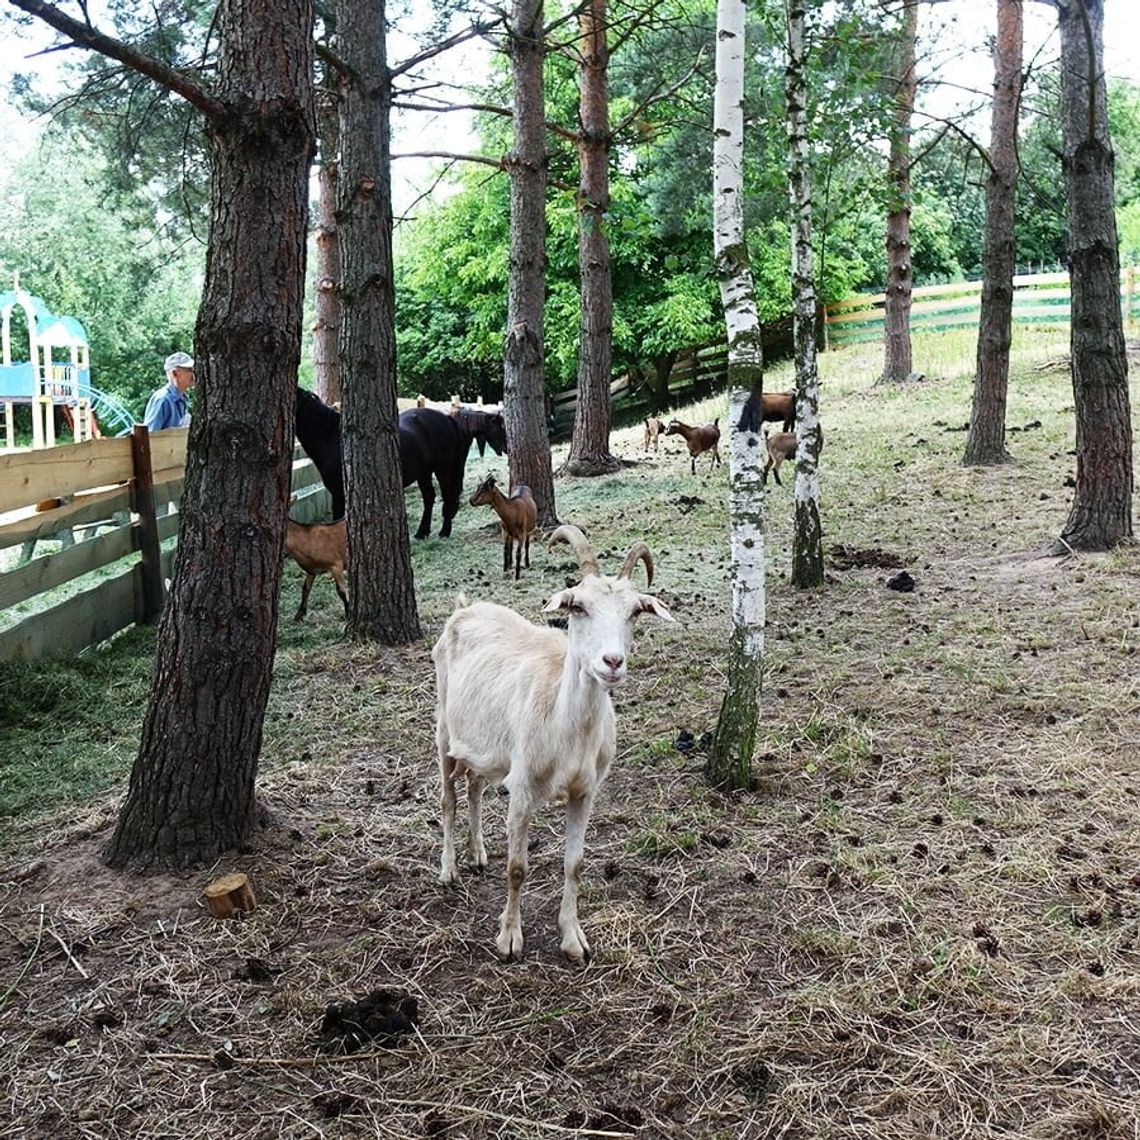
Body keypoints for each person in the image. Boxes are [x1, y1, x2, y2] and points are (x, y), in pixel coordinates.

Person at [143, 351, 195, 431]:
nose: (194, 374)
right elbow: (151, 436)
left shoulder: (182, 398)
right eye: (189, 370)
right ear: (175, 373)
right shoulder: (163, 400)